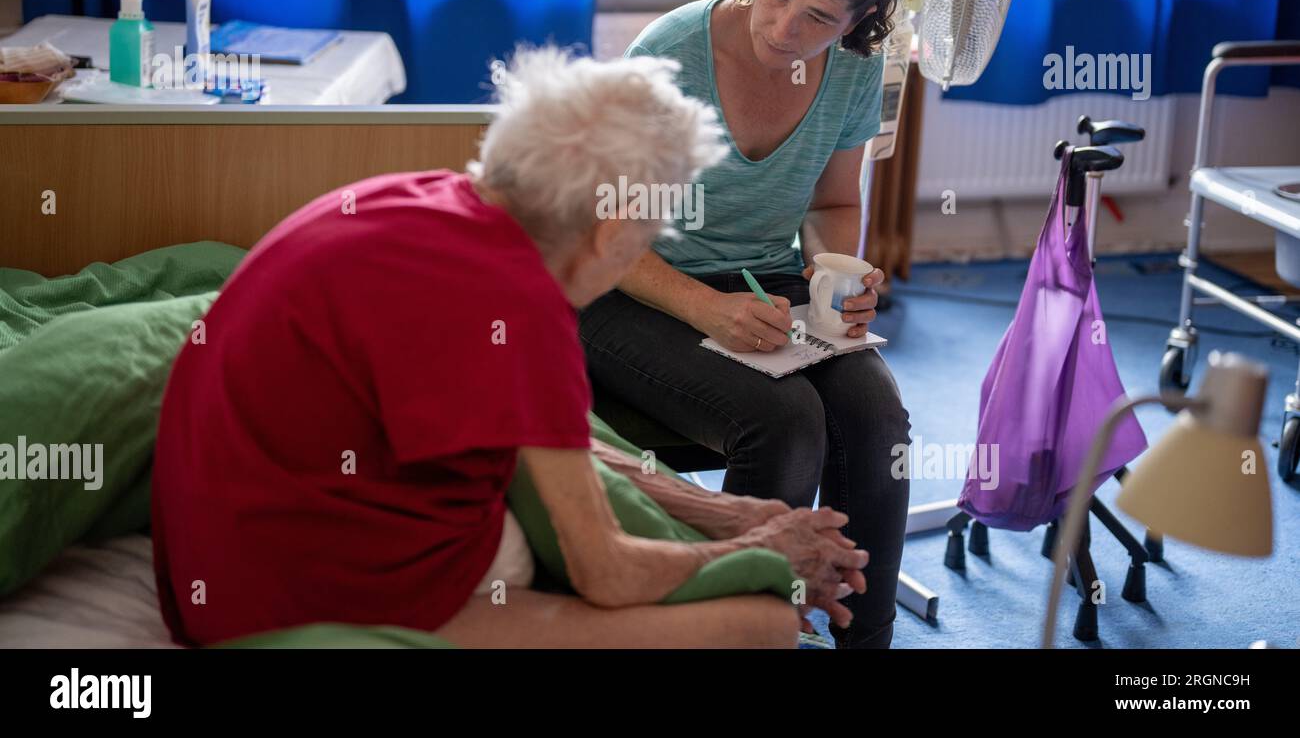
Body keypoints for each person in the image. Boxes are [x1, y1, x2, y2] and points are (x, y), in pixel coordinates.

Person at [151, 47, 868, 649]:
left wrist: (737, 513)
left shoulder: (422, 198)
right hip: (279, 603)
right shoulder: (520, 309)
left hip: (219, 552)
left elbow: (540, 446)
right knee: (763, 624)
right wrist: (759, 554)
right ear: (613, 229)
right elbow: (607, 573)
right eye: (650, 238)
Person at [579, 0, 918, 648]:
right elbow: (606, 231)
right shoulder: (668, 56)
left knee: (879, 420)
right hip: (624, 286)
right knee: (786, 422)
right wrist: (707, 309)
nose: (782, 30)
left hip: (761, 282)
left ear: (861, 17)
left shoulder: (859, 69)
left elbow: (833, 206)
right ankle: (734, 633)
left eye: (819, 18)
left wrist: (842, 274)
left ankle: (866, 637)